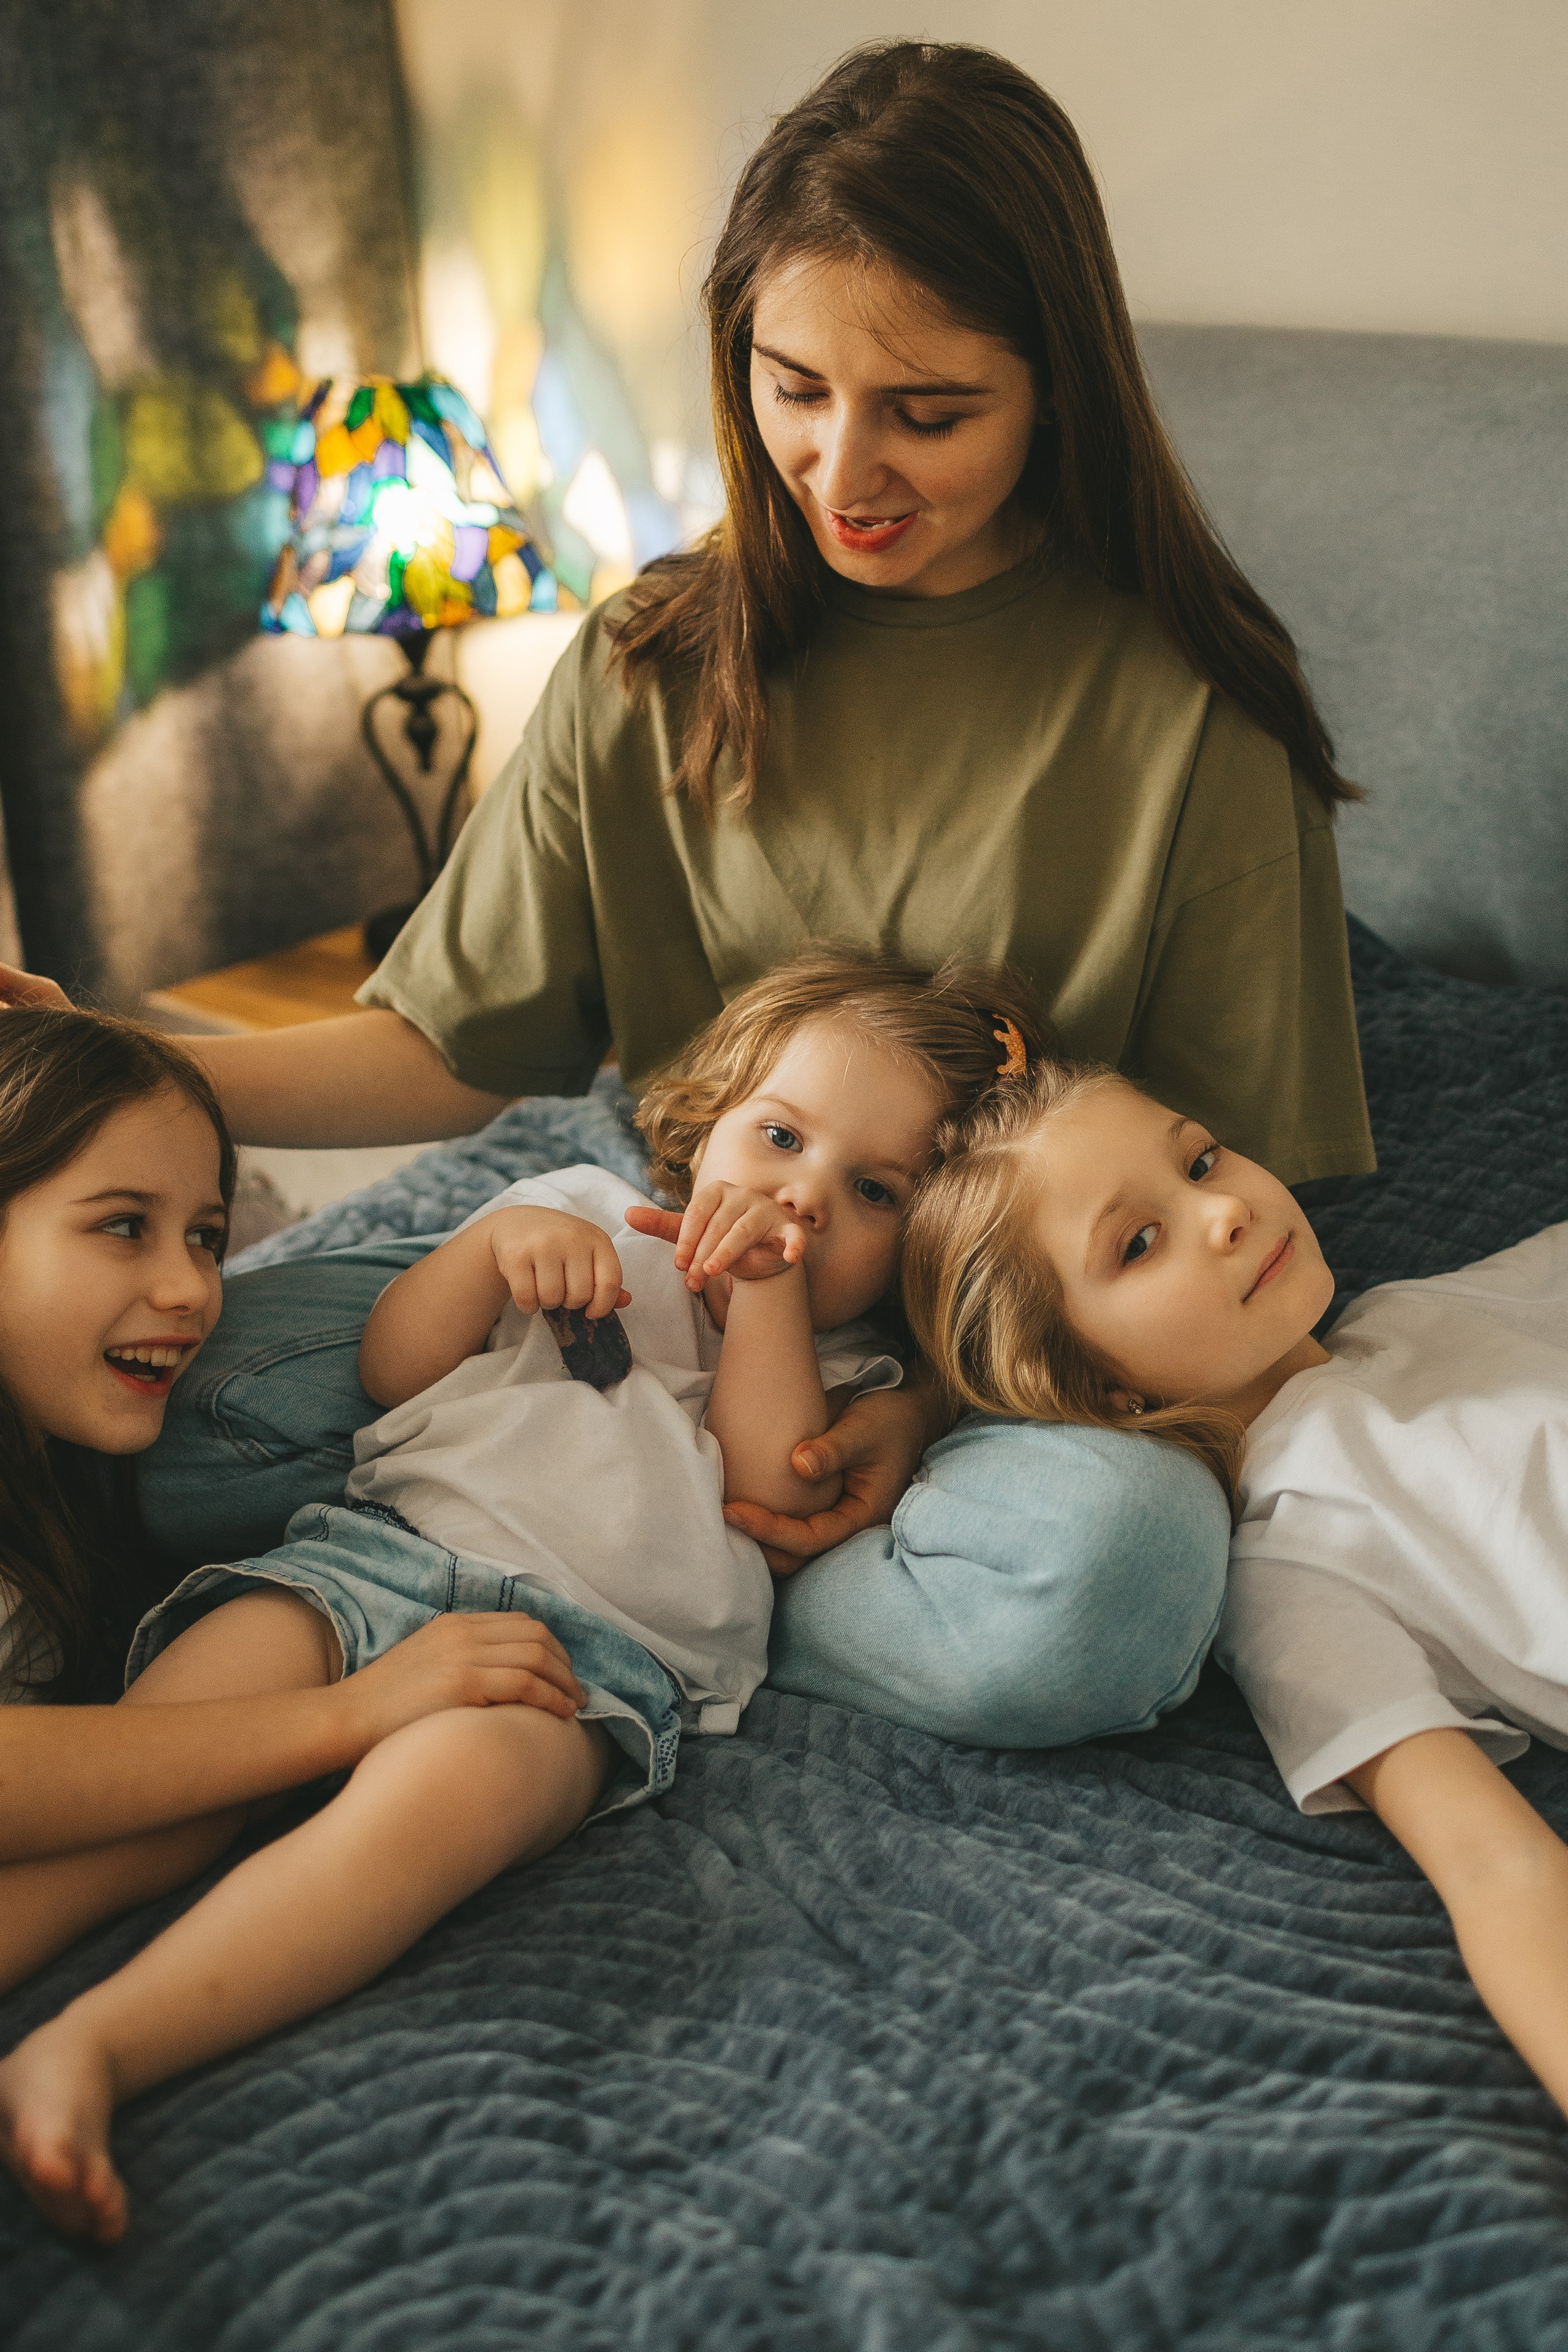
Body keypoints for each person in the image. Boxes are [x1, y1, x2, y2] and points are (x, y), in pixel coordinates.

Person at [0, 38, 1368, 1721]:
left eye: (927, 413)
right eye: (794, 388)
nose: (844, 473)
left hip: (968, 1371)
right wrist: (129, 1065)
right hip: (630, 1298)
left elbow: (1218, 1247)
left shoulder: (1193, 714)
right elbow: (458, 1038)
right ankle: (645, 1545)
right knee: (170, 1402)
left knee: (1112, 1580)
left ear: (1058, 385)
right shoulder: (660, 652)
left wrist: (919, 1419)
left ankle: (634, 1580)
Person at [0, 948, 1043, 2244]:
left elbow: (770, 1488)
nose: (801, 1196)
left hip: (586, 1666)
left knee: (438, 1815)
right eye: (777, 1135)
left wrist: (768, 1300)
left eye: (871, 1191)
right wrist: (493, 1248)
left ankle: (98, 2047)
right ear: (707, 1116)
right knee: (174, 1760)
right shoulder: (582, 1207)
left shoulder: (856, 1368)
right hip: (370, 1558)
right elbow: (391, 1368)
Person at [900, 1056, 1568, 2124]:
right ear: (1094, 1382)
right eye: (1137, 1242)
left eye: (1202, 1158)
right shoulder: (1289, 1566)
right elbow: (1493, 1864)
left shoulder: (1428, 1311)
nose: (1222, 1211)